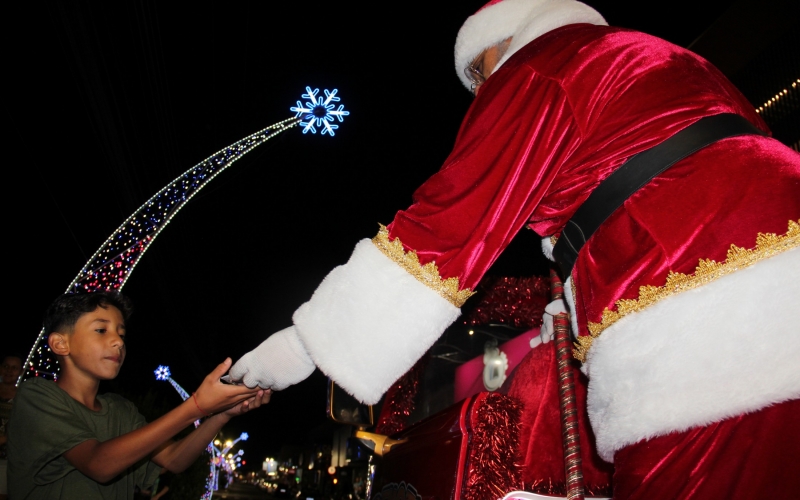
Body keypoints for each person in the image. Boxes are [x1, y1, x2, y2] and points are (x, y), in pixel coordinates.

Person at [230, 0, 800, 497]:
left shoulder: (540, 65)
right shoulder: (658, 58)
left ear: (503, 41)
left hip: (706, 302)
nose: (481, 92)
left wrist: (304, 346)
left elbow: (447, 223)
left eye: (479, 74)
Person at [7, 292, 270, 500]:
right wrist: (197, 406)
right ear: (60, 343)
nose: (118, 342)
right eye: (101, 330)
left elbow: (174, 459)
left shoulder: (121, 410)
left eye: (121, 334)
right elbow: (97, 463)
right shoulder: (36, 395)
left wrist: (222, 414)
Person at [0, 354, 23, 500]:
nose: (9, 371)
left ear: (20, 372)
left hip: (6, 459)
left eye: (14, 368)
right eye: (6, 366)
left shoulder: (23, 397)